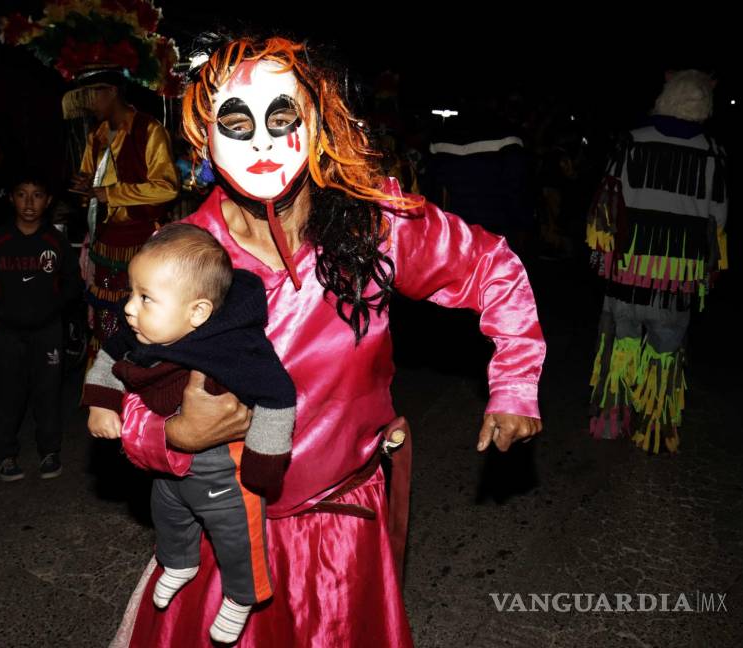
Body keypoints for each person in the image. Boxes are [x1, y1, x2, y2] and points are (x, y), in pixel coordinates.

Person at [107, 36, 545, 647]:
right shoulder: (184, 256)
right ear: (206, 137)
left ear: (316, 124)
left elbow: (491, 268)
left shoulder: (372, 225)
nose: (262, 142)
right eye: (237, 123)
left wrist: (515, 384)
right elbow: (119, 384)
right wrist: (173, 435)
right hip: (226, 535)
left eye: (281, 116)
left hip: (341, 533)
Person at [85, 223, 295, 644]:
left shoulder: (233, 347)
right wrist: (101, 402)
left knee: (235, 534)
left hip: (221, 467)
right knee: (168, 512)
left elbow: (279, 395)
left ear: (197, 312)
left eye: (145, 298)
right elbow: (109, 356)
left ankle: (241, 596)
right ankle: (179, 563)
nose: (129, 308)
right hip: (169, 464)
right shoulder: (145, 329)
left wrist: (263, 464)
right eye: (131, 293)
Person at [586, 69, 727, 453]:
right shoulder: (712, 152)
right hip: (676, 276)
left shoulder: (632, 141)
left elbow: (606, 205)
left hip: (629, 269)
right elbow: (718, 219)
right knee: (666, 350)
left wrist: (601, 255)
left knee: (622, 343)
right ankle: (654, 430)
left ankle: (612, 421)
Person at [0, 169, 81, 481]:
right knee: (8, 394)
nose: (29, 203)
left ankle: (50, 451)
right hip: (8, 332)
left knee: (48, 393)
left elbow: (73, 283)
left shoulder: (56, 241)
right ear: (11, 198)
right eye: (22, 195)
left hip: (48, 331)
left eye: (37, 196)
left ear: (48, 200)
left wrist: (53, 309)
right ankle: (5, 454)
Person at [68, 69, 179, 351]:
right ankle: (105, 370)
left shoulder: (149, 130)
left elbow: (167, 188)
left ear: (112, 91)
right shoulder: (96, 136)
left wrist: (111, 193)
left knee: (143, 315)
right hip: (105, 243)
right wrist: (86, 188)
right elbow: (90, 188)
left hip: (143, 242)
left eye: (92, 94)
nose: (88, 103)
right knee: (105, 320)